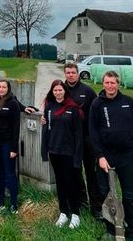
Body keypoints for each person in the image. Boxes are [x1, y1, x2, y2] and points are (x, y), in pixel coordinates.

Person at [88, 70, 133, 240]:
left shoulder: (129, 102)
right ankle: (110, 228)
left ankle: (131, 230)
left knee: (129, 195)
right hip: (106, 157)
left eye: (113, 82)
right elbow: (92, 132)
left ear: (118, 84)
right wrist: (100, 156)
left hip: (127, 156)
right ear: (103, 84)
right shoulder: (97, 104)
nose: (110, 86)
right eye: (107, 83)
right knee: (105, 193)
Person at [42, 79, 86, 228]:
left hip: (69, 153)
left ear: (65, 91)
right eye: (55, 90)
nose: (58, 93)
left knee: (72, 183)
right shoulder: (49, 108)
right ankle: (63, 212)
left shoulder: (73, 108)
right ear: (52, 92)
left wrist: (78, 157)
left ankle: (75, 214)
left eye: (60, 90)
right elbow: (46, 130)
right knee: (60, 183)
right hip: (55, 152)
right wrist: (45, 150)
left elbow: (78, 135)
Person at [62, 61, 104, 215]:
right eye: (68, 72)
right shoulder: (61, 90)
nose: (71, 75)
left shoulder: (87, 91)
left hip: (87, 138)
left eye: (73, 72)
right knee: (75, 172)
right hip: (70, 140)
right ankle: (81, 202)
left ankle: (97, 207)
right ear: (65, 74)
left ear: (78, 73)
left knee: (91, 173)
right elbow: (52, 108)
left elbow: (97, 112)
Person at [0, 79, 38, 214]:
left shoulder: (13, 103)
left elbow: (16, 127)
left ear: (8, 89)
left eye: (4, 87)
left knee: (10, 173)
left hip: (7, 143)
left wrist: (14, 148)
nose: (1, 89)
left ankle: (14, 203)